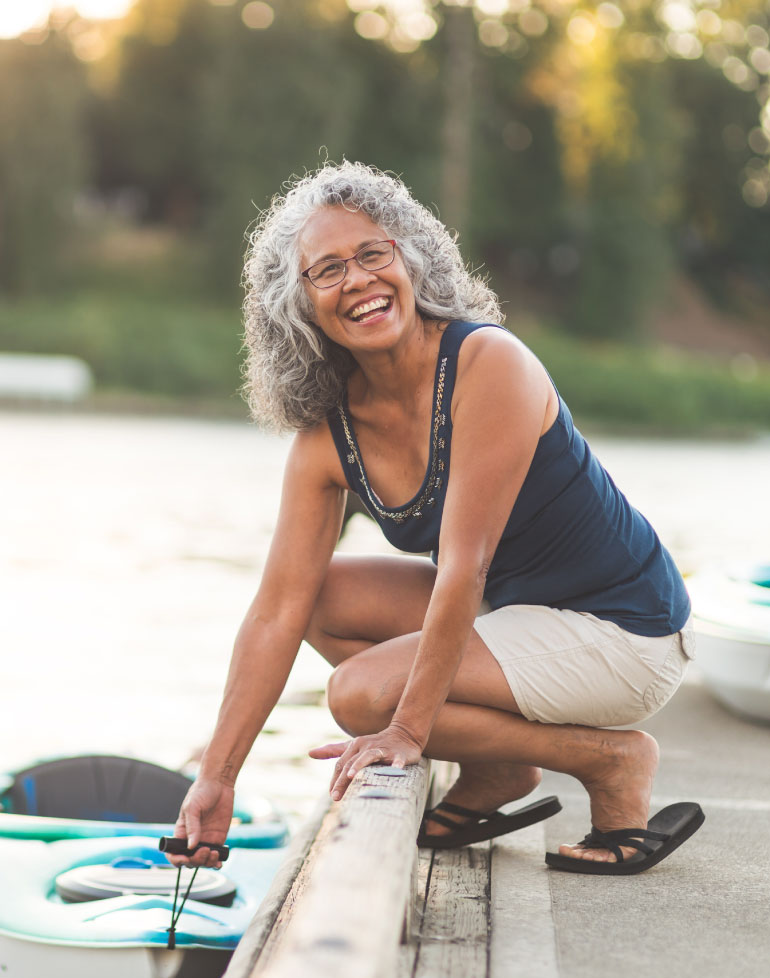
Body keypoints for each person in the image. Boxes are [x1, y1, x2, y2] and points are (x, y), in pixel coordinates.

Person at [166, 161, 702, 877]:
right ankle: (501, 771)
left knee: (360, 696)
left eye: (371, 254)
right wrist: (219, 775)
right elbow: (277, 611)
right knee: (317, 597)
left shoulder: (489, 364)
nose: (357, 279)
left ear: (410, 258)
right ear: (297, 306)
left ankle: (611, 761)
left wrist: (405, 731)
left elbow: (463, 568)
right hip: (515, 612)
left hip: (623, 630)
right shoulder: (328, 436)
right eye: (327, 271)